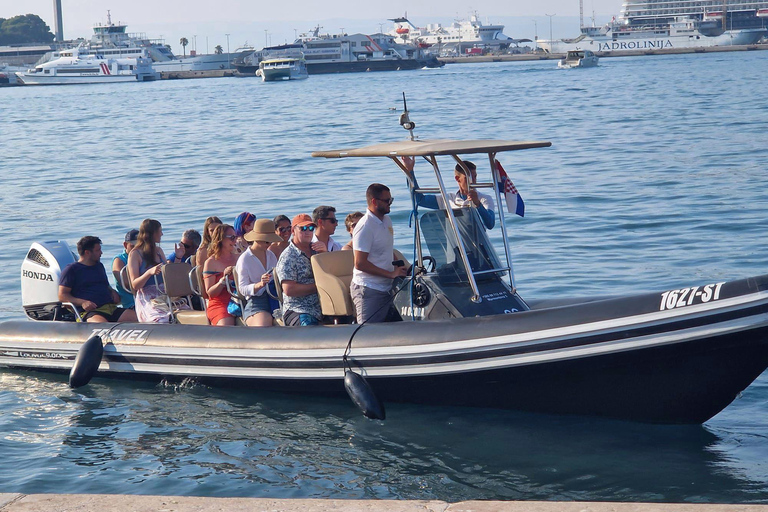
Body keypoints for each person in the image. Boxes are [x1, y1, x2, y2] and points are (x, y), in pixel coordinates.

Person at [351, 184, 407, 324]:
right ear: (374, 202)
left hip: (388, 287)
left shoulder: (386, 220)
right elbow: (360, 263)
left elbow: (386, 249)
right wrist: (390, 274)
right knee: (367, 332)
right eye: (387, 200)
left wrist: (400, 267)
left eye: (391, 200)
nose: (390, 204)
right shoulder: (365, 226)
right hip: (369, 288)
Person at [59, 236, 137, 323]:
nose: (101, 253)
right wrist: (82, 302)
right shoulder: (71, 270)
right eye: (98, 250)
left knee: (139, 319)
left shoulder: (99, 266)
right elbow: (62, 295)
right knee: (103, 326)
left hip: (110, 308)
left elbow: (105, 285)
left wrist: (112, 291)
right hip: (90, 312)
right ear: (87, 252)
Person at [403, 157, 495, 230]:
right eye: (468, 178)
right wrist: (409, 171)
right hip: (456, 248)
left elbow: (490, 224)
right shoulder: (448, 199)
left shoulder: (485, 199)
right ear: (457, 179)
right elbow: (419, 200)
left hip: (479, 247)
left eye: (475, 177)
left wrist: (478, 204)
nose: (473, 181)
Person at [128, 219, 185, 323]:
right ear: (151, 233)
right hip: (148, 298)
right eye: (159, 231)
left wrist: (178, 257)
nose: (162, 234)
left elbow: (168, 275)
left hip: (165, 294)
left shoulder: (158, 251)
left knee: (186, 312)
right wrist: (149, 272)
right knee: (161, 320)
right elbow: (135, 285)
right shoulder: (135, 254)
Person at [275, 213, 322, 326]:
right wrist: (319, 287)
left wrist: (325, 254)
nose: (308, 232)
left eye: (311, 228)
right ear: (293, 231)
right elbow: (289, 289)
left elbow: (332, 273)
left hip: (324, 306)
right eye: (303, 228)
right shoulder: (288, 256)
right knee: (309, 328)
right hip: (299, 309)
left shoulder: (317, 250)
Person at [236, 219, 282, 327]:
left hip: (275, 298)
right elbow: (242, 289)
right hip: (256, 302)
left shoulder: (271, 255)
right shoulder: (245, 259)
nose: (269, 244)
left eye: (270, 241)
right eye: (266, 241)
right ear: (257, 239)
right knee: (264, 324)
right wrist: (260, 284)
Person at [203, 224, 239, 326]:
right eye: (232, 238)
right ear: (221, 239)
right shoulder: (211, 262)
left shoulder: (239, 258)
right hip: (221, 304)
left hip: (239, 300)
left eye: (235, 237)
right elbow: (210, 293)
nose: (235, 240)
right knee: (227, 324)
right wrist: (223, 280)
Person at [195, 216, 222, 300]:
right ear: (207, 232)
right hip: (212, 290)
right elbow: (201, 278)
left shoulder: (228, 247)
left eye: (217, 229)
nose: (214, 233)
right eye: (211, 230)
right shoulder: (203, 251)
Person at [112, 228, 138, 309]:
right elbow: (126, 284)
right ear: (125, 245)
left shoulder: (143, 256)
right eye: (132, 246)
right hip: (132, 302)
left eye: (139, 246)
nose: (136, 249)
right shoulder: (119, 260)